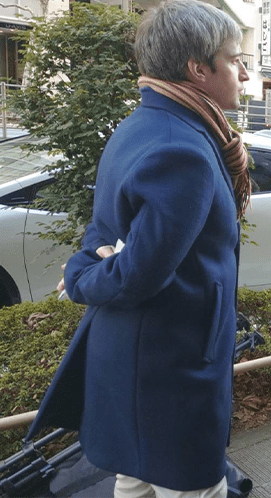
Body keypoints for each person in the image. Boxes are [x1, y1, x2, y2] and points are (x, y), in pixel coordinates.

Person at [26, 1, 250, 496]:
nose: (246, 74)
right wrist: (82, 275)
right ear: (198, 69)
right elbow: (139, 272)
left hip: (134, 357)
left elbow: (103, 234)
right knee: (195, 486)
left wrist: (86, 262)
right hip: (171, 365)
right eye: (236, 59)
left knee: (134, 479)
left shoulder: (140, 125)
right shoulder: (185, 148)